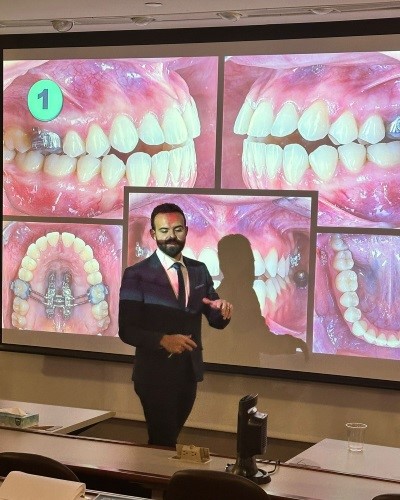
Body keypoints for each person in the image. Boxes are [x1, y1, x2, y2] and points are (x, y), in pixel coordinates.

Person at [118, 203, 233, 447]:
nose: (171, 236)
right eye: (164, 230)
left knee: (165, 442)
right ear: (153, 234)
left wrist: (222, 311)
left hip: (189, 372)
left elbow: (214, 318)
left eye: (177, 229)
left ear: (186, 231)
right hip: (154, 375)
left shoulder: (199, 270)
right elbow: (127, 329)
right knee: (163, 441)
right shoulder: (137, 274)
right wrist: (163, 340)